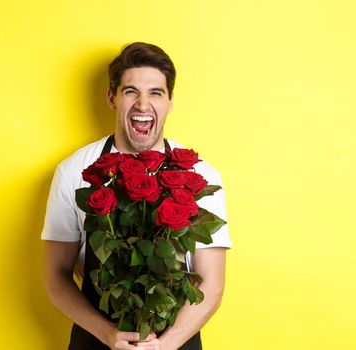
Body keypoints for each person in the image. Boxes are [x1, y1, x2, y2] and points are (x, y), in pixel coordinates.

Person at [42, 42, 232, 350]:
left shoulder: (203, 177)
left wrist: (165, 345)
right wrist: (106, 334)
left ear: (169, 102)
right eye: (130, 91)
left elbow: (211, 284)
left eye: (155, 93)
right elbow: (56, 279)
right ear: (111, 98)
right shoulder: (73, 171)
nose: (143, 104)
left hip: (176, 341)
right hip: (96, 339)